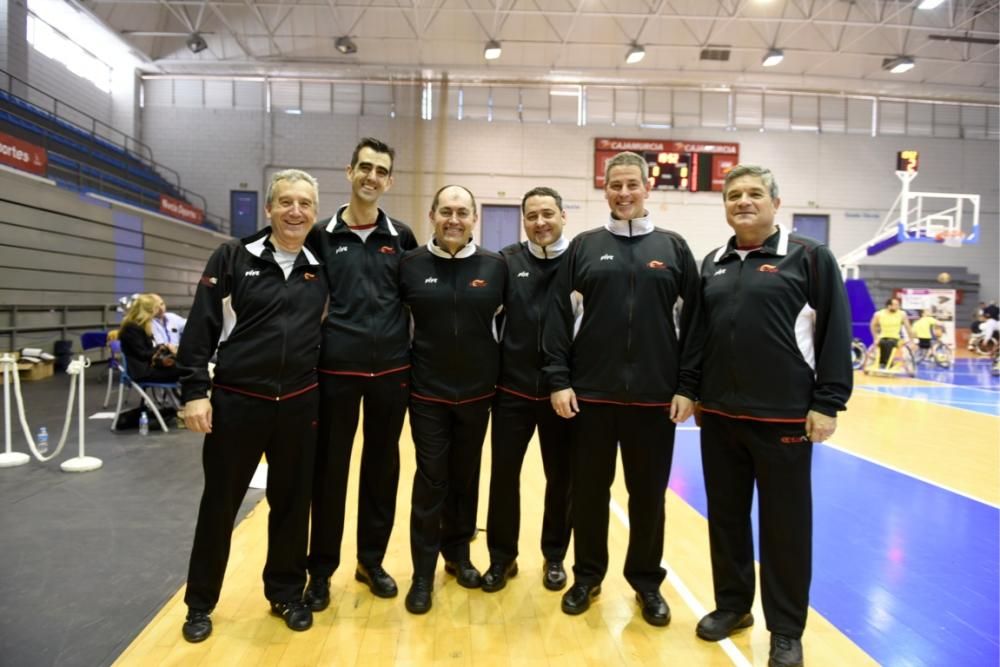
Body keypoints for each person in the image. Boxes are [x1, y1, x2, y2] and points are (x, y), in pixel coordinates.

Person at [693, 164, 852, 667]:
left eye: (754, 194)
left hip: (783, 418)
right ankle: (733, 606)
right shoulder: (712, 263)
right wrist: (692, 392)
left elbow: (833, 332)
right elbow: (698, 336)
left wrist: (827, 402)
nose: (744, 201)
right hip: (717, 415)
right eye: (734, 194)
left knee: (784, 528)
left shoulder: (809, 257)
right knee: (726, 519)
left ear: (775, 203)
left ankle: (786, 630)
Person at [542, 151, 700, 627]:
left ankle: (647, 582)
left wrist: (687, 386)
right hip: (591, 398)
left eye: (633, 184)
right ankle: (587, 576)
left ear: (647, 187)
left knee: (648, 497)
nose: (624, 193)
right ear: (605, 189)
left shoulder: (674, 248)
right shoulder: (585, 248)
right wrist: (558, 379)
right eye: (616, 186)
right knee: (589, 493)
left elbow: (694, 325)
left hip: (655, 401)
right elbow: (556, 318)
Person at [177, 169, 327, 643]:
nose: (295, 211)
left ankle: (285, 592)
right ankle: (200, 603)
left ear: (315, 213)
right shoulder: (233, 257)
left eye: (305, 203)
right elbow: (199, 328)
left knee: (291, 505)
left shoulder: (321, 267)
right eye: (286, 202)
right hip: (238, 402)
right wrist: (195, 392)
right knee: (219, 506)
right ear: (269, 208)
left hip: (299, 405)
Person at [303, 138, 417, 610]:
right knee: (329, 472)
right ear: (349, 171)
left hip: (392, 371)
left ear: (389, 181)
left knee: (382, 469)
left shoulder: (403, 237)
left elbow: (417, 300)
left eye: (381, 171)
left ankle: (371, 561)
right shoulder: (320, 236)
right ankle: (322, 571)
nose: (371, 176)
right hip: (336, 371)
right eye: (364, 167)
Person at [397, 185, 506, 614]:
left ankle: (458, 556)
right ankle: (422, 573)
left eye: (462, 212)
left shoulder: (496, 267)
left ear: (474, 218)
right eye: (446, 211)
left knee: (465, 478)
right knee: (431, 481)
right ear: (432, 215)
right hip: (426, 393)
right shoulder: (409, 265)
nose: (454, 219)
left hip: (479, 394)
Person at [482, 186, 572, 593]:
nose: (540, 222)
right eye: (532, 215)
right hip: (512, 392)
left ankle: (555, 558)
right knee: (504, 478)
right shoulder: (506, 262)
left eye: (548, 214)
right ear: (524, 220)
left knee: (562, 479)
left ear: (563, 216)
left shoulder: (580, 261)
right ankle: (502, 558)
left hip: (562, 395)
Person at [116, 293, 182, 383]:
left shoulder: (138, 325)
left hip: (147, 368)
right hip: (142, 372)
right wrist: (162, 348)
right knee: (187, 370)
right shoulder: (132, 328)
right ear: (148, 310)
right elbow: (142, 354)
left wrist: (163, 347)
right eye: (156, 308)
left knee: (185, 367)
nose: (158, 310)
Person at [870, 297, 912, 368]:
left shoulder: (902, 314)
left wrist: (911, 339)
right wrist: (875, 338)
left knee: (889, 342)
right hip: (883, 337)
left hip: (896, 338)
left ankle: (886, 363)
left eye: (898, 305)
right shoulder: (879, 314)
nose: (898, 306)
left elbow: (908, 327)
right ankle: (882, 362)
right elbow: (872, 325)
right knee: (882, 343)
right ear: (889, 306)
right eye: (895, 305)